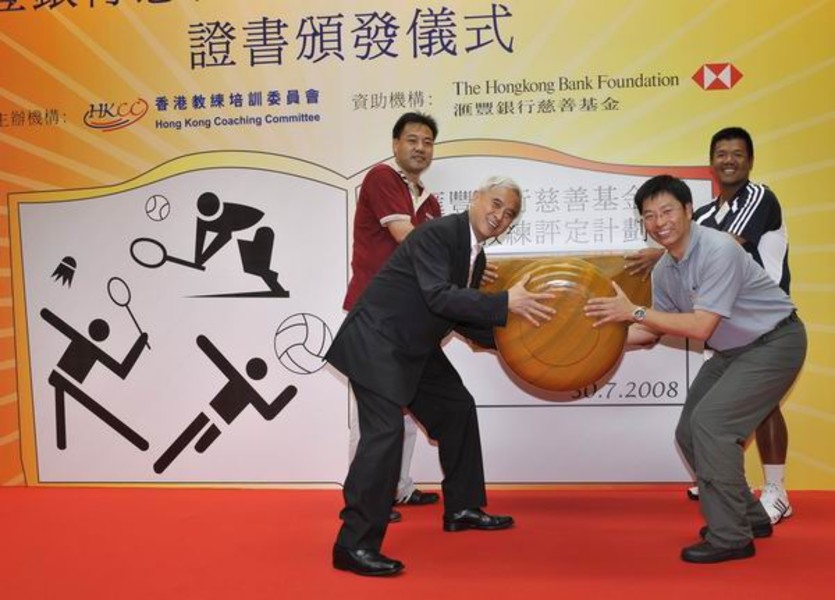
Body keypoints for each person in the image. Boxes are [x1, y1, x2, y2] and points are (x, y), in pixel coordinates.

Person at [327, 176, 555, 576]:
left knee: (457, 409)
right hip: (377, 341)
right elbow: (438, 295)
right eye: (496, 203)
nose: (499, 215)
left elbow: (461, 317)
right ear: (476, 197)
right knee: (384, 436)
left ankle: (463, 507)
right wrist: (505, 301)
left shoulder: (475, 256)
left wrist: (528, 346)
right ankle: (353, 544)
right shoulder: (438, 233)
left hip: (413, 347)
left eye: (509, 213)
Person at [586, 174, 806, 563]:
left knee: (712, 426)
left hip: (775, 342)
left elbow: (701, 326)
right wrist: (591, 344)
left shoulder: (717, 248)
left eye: (667, 210)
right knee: (690, 431)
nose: (659, 222)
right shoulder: (665, 271)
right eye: (649, 216)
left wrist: (633, 310)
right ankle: (750, 517)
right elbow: (651, 332)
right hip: (732, 352)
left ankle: (731, 536)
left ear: (689, 211)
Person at [625, 127, 793, 524]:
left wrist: (660, 258)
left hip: (765, 326)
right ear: (711, 161)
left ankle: (773, 492)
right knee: (696, 426)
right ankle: (733, 493)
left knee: (742, 413)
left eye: (737, 153)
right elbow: (682, 250)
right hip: (726, 329)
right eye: (720, 153)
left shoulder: (757, 198)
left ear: (750, 160)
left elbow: (724, 244)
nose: (729, 160)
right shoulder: (699, 216)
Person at [344, 112, 444, 521]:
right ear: (395, 144)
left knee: (401, 414)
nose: (420, 147)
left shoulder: (432, 202)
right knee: (374, 415)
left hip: (408, 321)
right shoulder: (382, 178)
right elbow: (407, 238)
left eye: (427, 142)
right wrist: (458, 255)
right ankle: (365, 499)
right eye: (412, 139)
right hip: (373, 314)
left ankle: (397, 488)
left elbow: (438, 262)